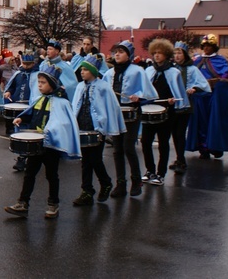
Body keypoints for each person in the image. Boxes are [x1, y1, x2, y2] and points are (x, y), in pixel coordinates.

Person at [4, 64, 81, 219]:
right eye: (38, 82)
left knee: (52, 175)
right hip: (36, 144)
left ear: (52, 85)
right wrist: (21, 118)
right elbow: (32, 114)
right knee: (29, 173)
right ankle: (23, 203)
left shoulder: (62, 103)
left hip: (50, 145)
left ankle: (53, 204)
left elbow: (63, 123)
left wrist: (49, 131)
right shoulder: (40, 99)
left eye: (43, 83)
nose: (39, 85)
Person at [102, 40, 158, 197]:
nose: (117, 54)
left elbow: (150, 94)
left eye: (121, 51)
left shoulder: (138, 71)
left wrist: (139, 97)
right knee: (117, 149)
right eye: (115, 51)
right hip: (116, 113)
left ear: (129, 55)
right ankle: (120, 183)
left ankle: (136, 180)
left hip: (132, 113)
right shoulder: (109, 73)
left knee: (128, 147)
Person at [71, 54, 125, 205]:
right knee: (85, 161)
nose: (82, 72)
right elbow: (76, 105)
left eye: (85, 70)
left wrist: (106, 127)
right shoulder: (80, 86)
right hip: (82, 127)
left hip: (97, 129)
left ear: (93, 72)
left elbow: (110, 107)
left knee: (95, 159)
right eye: (81, 69)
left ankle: (105, 182)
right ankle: (86, 191)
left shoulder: (104, 87)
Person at [141, 39, 188, 186]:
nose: (156, 56)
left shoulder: (174, 72)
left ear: (166, 54)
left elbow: (179, 91)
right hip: (149, 111)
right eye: (154, 53)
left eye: (159, 53)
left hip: (168, 112)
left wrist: (175, 101)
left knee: (163, 143)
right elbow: (144, 90)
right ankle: (150, 170)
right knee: (145, 142)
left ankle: (161, 174)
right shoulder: (149, 71)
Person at [186, 34, 228, 160]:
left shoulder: (221, 60)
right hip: (199, 97)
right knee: (201, 122)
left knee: (214, 121)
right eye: (205, 46)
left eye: (209, 46)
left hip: (214, 96)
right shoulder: (196, 60)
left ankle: (215, 146)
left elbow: (226, 76)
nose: (206, 48)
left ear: (214, 47)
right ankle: (203, 148)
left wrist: (217, 81)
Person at [3, 53, 39, 170]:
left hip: (30, 107)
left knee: (30, 131)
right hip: (18, 106)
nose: (26, 66)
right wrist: (8, 91)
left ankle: (29, 156)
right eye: (25, 64)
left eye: (29, 64)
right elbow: (12, 87)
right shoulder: (18, 74)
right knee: (19, 131)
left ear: (33, 64)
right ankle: (21, 157)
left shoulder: (38, 75)